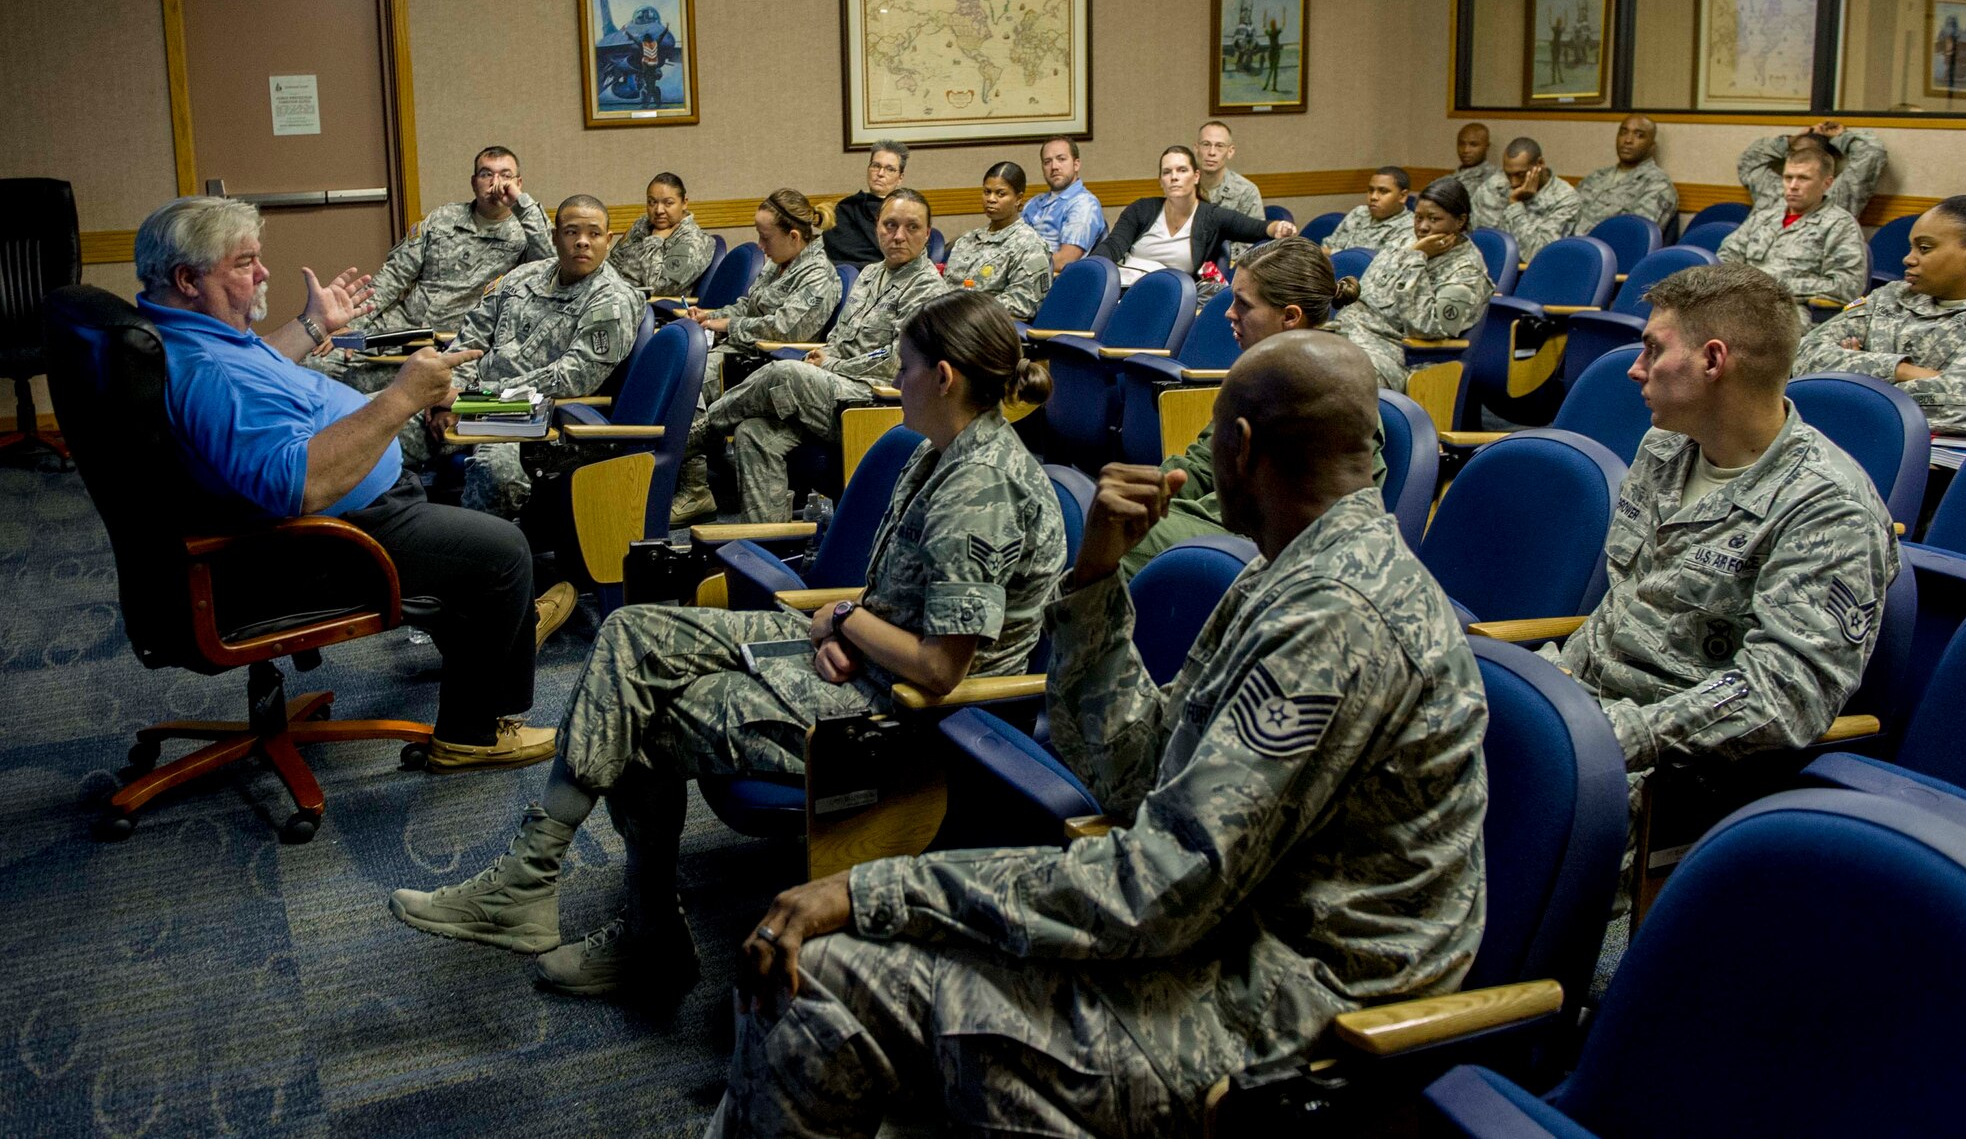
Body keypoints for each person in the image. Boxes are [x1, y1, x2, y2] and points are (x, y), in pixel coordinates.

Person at [706, 331, 1489, 1138]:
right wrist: (1095, 577)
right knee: (843, 963)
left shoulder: (1336, 618)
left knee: (821, 981)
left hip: (1287, 1016)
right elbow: (1133, 768)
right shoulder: (1287, 573)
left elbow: (1157, 888)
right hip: (1214, 936)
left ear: (1242, 446)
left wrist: (874, 889)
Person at [387, 290, 1067, 1001]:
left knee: (651, 716)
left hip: (914, 721)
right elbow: (908, 606)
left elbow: (940, 666)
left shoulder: (981, 487)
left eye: (904, 367)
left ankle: (642, 938)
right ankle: (532, 876)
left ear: (944, 377)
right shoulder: (944, 454)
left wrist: (844, 621)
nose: (895, 380)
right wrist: (850, 626)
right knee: (632, 634)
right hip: (871, 665)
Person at [135, 195, 574, 772]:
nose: (263, 273)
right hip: (318, 541)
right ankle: (474, 733)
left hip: (331, 515)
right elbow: (302, 488)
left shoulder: (186, 334)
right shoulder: (209, 372)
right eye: (244, 263)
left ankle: (499, 631)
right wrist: (401, 398)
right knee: (502, 552)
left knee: (469, 558)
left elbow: (254, 371)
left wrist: (313, 327)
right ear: (188, 279)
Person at [1547, 261, 1896, 861]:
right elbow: (1627, 600)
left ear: (1713, 361)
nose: (1634, 368)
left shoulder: (1828, 507)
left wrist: (1610, 737)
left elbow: (1784, 695)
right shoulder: (1665, 446)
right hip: (1583, 707)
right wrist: (1552, 693)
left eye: (1654, 349)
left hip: (1676, 772)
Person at [1119, 239, 1385, 579]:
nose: (1228, 312)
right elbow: (1201, 465)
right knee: (1111, 513)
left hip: (1270, 550)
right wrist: (1148, 491)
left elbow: (1300, 521)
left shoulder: (1329, 389)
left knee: (1121, 537)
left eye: (1243, 304)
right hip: (1219, 525)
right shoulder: (1263, 374)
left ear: (1290, 317)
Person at [692, 188, 950, 524]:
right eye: (890, 225)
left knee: (784, 374)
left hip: (873, 401)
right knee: (754, 432)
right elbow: (840, 337)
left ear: (927, 234)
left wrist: (831, 363)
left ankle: (698, 435)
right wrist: (826, 353)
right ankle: (769, 541)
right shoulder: (871, 274)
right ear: (877, 226)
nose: (899, 236)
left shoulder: (927, 288)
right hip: (836, 390)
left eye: (912, 227)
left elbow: (894, 361)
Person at [440, 195, 645, 519]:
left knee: (497, 473)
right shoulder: (521, 277)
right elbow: (471, 338)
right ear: (554, 236)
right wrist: (446, 394)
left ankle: (481, 547)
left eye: (593, 234)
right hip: (467, 398)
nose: (582, 242)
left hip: (534, 417)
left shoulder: (613, 299)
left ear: (608, 241)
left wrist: (470, 401)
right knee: (383, 423)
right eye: (571, 232)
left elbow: (571, 378)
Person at [308, 146, 554, 393]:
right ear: (474, 182)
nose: (495, 183)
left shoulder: (527, 232)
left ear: (518, 183)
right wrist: (353, 325)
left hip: (454, 344)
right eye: (486, 174)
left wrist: (521, 204)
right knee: (314, 365)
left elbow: (550, 269)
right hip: (396, 331)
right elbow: (394, 275)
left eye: (505, 175)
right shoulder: (443, 219)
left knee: (393, 395)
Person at [673, 189, 844, 524]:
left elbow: (786, 329)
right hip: (740, 350)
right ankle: (690, 474)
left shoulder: (819, 275)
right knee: (680, 368)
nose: (761, 246)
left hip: (769, 363)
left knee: (693, 380)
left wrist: (729, 325)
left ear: (793, 236)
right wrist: (710, 315)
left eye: (766, 238)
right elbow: (747, 306)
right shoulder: (778, 263)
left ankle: (694, 488)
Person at [1794, 195, 1966, 435]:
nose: (1908, 259)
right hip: (1843, 435)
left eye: (1924, 248)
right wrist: (1900, 370)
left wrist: (1852, 370)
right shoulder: (1890, 296)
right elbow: (1802, 355)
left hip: (1938, 454)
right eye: (1911, 247)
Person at [1332, 176, 1495, 391]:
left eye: (1434, 219)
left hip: (1395, 352)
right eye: (1418, 218)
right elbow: (1367, 293)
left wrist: (1416, 259)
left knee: (1337, 382)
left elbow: (1426, 329)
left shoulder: (1467, 271)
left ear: (1460, 221)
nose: (1423, 227)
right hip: (1350, 331)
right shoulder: (1407, 239)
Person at [1092, 146, 1296, 294]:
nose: (1174, 177)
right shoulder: (1142, 209)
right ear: (1161, 181)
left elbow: (1258, 227)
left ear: (1196, 176)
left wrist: (1279, 227)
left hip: (1168, 297)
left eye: (1182, 170)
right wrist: (1090, 270)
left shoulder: (1211, 217)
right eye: (1167, 172)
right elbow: (1112, 246)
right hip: (1122, 289)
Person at [1716, 145, 1868, 331]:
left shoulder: (1840, 224)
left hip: (1794, 310)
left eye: (1803, 178)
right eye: (1788, 178)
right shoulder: (1765, 216)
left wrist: (1772, 285)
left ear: (1827, 183)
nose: (1793, 186)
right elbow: (1726, 255)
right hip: (1741, 300)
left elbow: (1847, 286)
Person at [942, 161, 1053, 320]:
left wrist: (967, 308)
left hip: (986, 325)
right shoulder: (967, 240)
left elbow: (1024, 303)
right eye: (987, 192)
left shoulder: (1029, 244)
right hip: (947, 319)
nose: (991, 199)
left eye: (1001, 194)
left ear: (1018, 199)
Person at [1738, 122, 1887, 220]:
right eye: (1794, 153)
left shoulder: (1839, 194)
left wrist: (1842, 137)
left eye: (1809, 155)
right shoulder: (1772, 187)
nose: (1800, 159)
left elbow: (1872, 154)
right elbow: (1749, 160)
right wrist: (1790, 140)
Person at [605, 171, 715, 298]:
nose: (658, 210)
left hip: (653, 307)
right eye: (652, 202)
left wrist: (655, 240)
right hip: (613, 294)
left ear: (684, 203)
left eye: (668, 203)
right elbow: (613, 263)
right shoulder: (643, 224)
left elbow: (657, 289)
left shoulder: (693, 240)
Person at [1472, 136, 1580, 261]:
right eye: (1508, 174)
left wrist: (1515, 205)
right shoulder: (1493, 187)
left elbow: (1538, 255)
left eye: (1520, 174)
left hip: (1537, 270)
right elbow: (1483, 244)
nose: (1513, 183)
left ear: (1540, 164)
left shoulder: (1566, 199)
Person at [1574, 114, 1681, 232]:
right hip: (1566, 241)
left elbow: (1634, 234)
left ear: (1652, 146)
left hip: (1603, 243)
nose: (1628, 140)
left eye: (1639, 135)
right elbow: (1567, 212)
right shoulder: (1596, 176)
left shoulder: (1658, 185)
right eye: (1623, 133)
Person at [1020, 135, 1106, 274]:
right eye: (1047, 162)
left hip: (1054, 280)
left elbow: (1064, 261)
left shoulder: (1084, 203)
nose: (1054, 167)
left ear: (1076, 164)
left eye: (1061, 159)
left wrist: (1016, 267)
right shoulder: (1033, 204)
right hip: (1022, 276)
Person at [822, 139, 909, 268]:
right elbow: (833, 248)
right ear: (868, 169)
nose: (880, 173)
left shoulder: (908, 211)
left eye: (889, 169)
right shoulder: (847, 207)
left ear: (900, 178)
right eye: (876, 166)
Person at [1195, 121, 1266, 264]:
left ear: (1230, 151)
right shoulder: (1184, 185)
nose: (1212, 152)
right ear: (1196, 148)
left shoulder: (1246, 191)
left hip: (1231, 266)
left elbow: (1254, 243)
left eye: (1219, 146)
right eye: (1206, 144)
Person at [1322, 166, 1415, 252]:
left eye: (1383, 191)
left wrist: (1332, 254)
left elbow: (1380, 262)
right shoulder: (1359, 212)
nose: (1373, 197)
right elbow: (1327, 247)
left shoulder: (1410, 226)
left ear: (1402, 196)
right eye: (1371, 190)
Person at [1454, 122, 1497, 195]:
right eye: (1461, 144)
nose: (1466, 150)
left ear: (1487, 147)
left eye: (1473, 145)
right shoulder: (1447, 180)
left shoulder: (1495, 178)